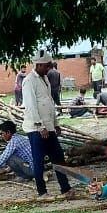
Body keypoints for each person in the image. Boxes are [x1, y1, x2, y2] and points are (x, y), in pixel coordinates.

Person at [22, 53, 72, 195]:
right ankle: (42, 192)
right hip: (36, 129)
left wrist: (55, 123)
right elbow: (31, 106)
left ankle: (65, 188)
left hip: (49, 126)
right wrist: (40, 126)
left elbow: (50, 103)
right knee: (39, 161)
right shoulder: (29, 81)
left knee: (58, 157)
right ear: (38, 65)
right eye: (46, 66)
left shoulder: (45, 79)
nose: (48, 68)